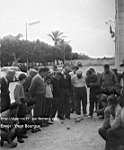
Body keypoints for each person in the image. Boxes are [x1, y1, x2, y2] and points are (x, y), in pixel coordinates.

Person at [14, 73, 28, 140]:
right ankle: (19, 136)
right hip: (20, 105)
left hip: (22, 104)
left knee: (23, 120)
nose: (25, 80)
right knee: (20, 121)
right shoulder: (18, 85)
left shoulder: (20, 85)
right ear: (22, 79)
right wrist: (20, 104)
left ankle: (22, 134)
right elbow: (16, 96)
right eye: (25, 79)